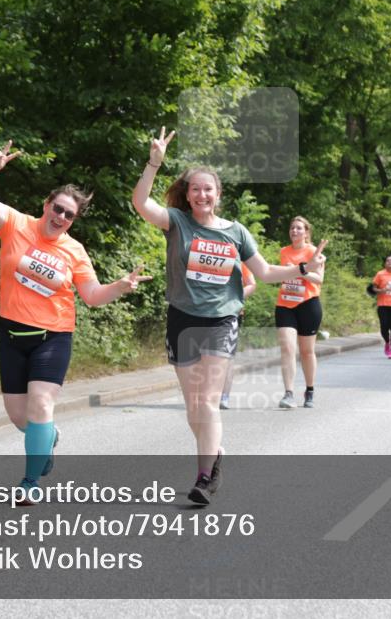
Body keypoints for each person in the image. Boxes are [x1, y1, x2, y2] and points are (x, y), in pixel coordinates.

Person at [132, 127, 326, 504]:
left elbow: (265, 272)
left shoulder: (236, 232)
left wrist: (303, 269)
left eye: (208, 189)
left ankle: (205, 477)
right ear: (187, 194)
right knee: (193, 407)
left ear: (218, 194)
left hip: (221, 321)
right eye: (195, 189)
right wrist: (153, 163)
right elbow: (141, 203)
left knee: (207, 402)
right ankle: (215, 451)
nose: (202, 194)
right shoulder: (177, 222)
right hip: (182, 319)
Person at [0, 141, 150, 501]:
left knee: (40, 405)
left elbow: (92, 295)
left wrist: (119, 286)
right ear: (46, 205)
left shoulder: (74, 251)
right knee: (19, 416)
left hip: (52, 336)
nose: (61, 217)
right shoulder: (15, 224)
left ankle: (30, 483)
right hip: (11, 333)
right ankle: (47, 437)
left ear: (73, 220)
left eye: (69, 215)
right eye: (58, 208)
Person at [275, 217, 326, 408]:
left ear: (306, 232)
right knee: (288, 348)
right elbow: (280, 274)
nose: (294, 231)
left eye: (298, 228)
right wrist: (286, 272)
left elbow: (319, 279)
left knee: (306, 351)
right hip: (285, 304)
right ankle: (288, 393)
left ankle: (309, 389)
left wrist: (300, 271)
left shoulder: (314, 252)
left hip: (308, 304)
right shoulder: (284, 251)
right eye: (292, 228)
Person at [219, 265, 256, 410]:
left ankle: (224, 396)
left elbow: (252, 284)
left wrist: (234, 297)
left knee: (227, 355)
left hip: (232, 313)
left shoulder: (240, 259)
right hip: (205, 311)